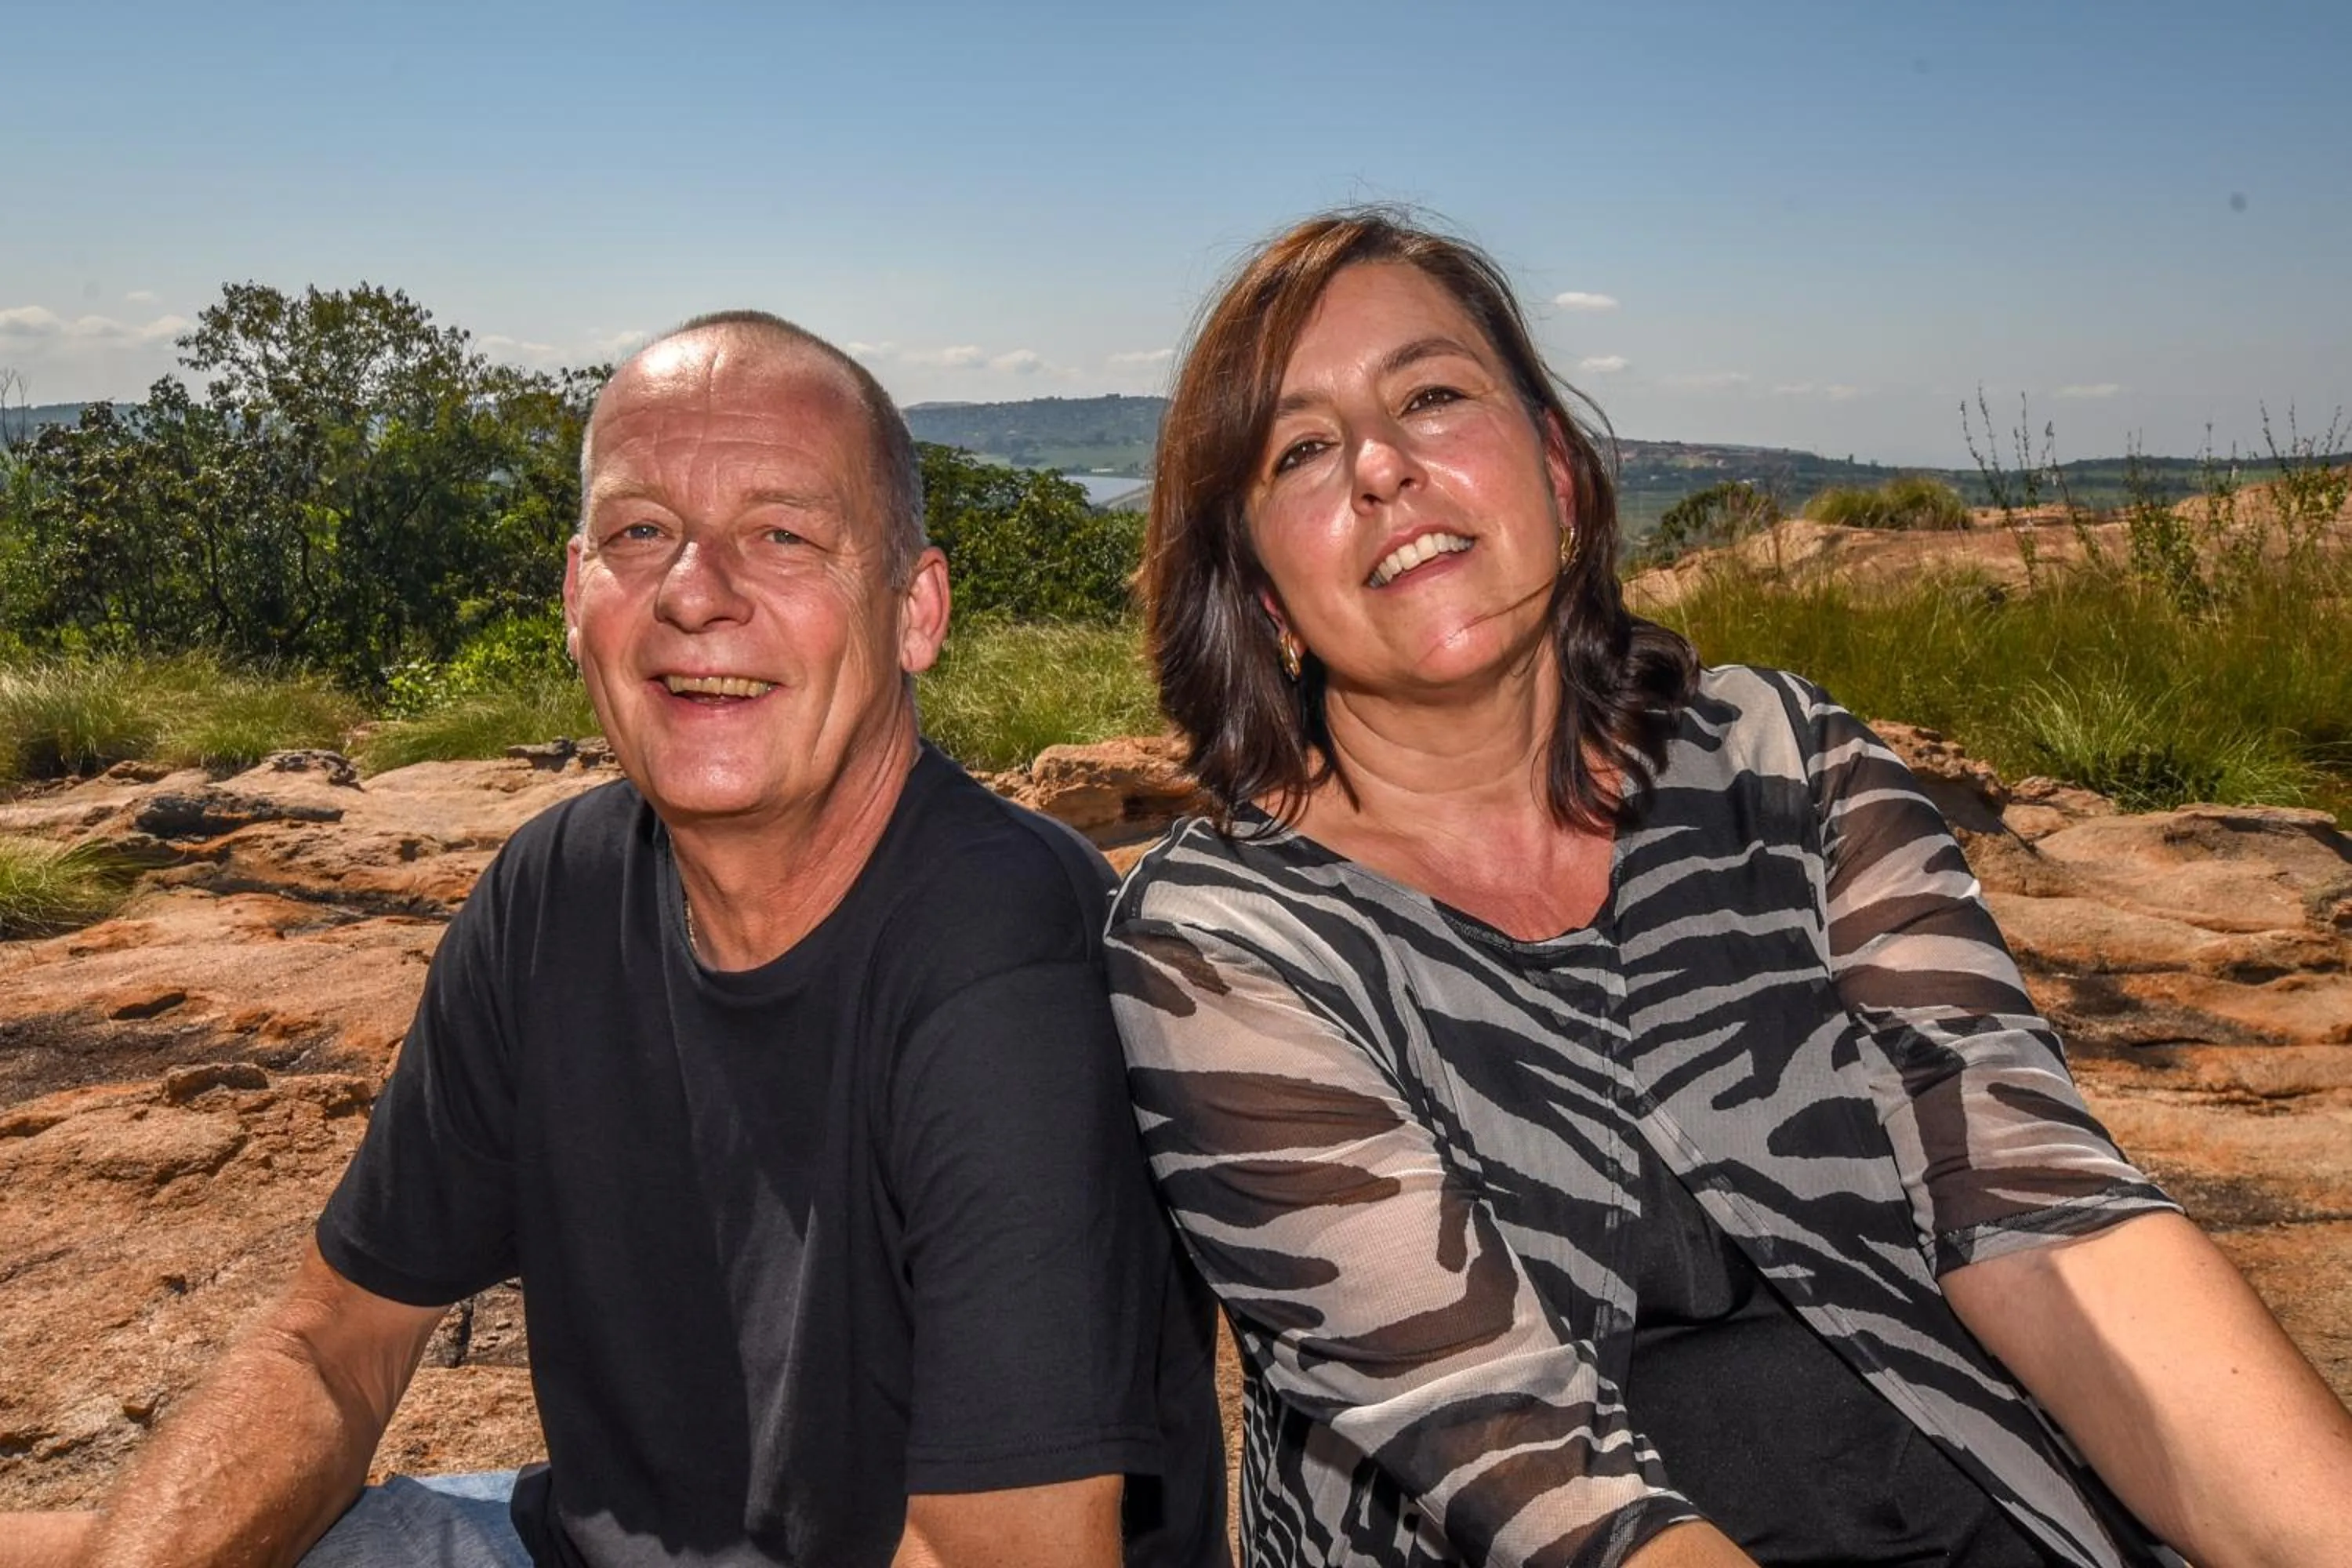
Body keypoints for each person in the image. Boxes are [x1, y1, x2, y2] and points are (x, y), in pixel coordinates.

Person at [1103, 209, 2352, 1568]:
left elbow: (2041, 1212)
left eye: (1433, 395)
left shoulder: (1782, 760)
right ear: (1267, 600)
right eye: (1302, 451)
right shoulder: (1223, 940)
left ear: (1562, 475)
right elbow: (1519, 1462)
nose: (1386, 467)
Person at [2, 312, 1225, 1568]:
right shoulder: (554, 891)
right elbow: (329, 1346)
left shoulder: (1009, 951)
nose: (696, 594)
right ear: (577, 594)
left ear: (915, 610)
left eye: (783, 535)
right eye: (642, 533)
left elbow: (1002, 1556)